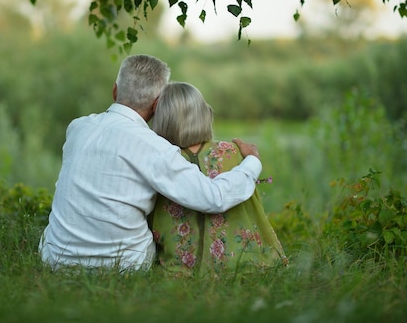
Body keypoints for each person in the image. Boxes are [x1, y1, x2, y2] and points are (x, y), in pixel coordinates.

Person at [39, 54, 264, 271]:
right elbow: (213, 197)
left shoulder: (77, 128)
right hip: (123, 266)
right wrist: (252, 161)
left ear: (115, 90)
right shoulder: (155, 148)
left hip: (55, 258)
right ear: (157, 105)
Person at [149, 82, 287, 276]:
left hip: (177, 267)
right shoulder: (231, 153)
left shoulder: (160, 160)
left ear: (162, 120)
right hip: (237, 264)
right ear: (204, 114)